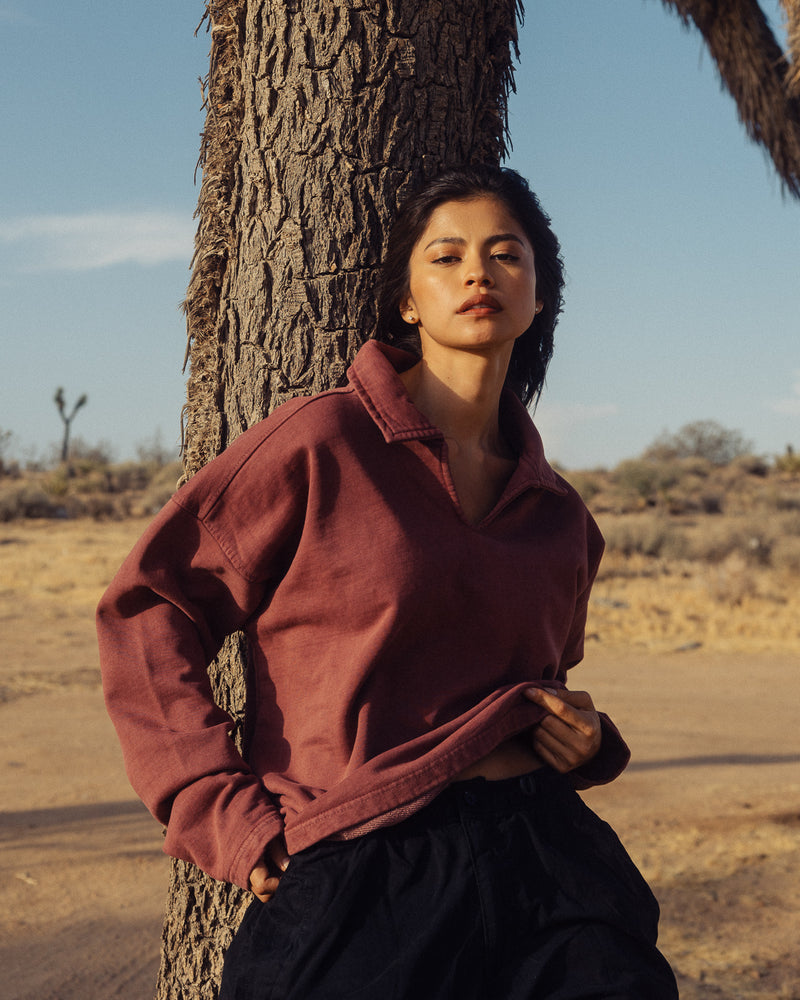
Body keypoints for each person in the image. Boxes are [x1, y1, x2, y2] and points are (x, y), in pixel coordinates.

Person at [97, 164, 678, 999]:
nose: (478, 273)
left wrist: (585, 737)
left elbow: (537, 684)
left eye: (506, 254)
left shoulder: (562, 519)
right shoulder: (323, 440)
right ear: (406, 300)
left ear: (540, 294)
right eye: (446, 257)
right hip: (366, 861)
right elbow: (146, 606)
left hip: (550, 865)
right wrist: (218, 809)